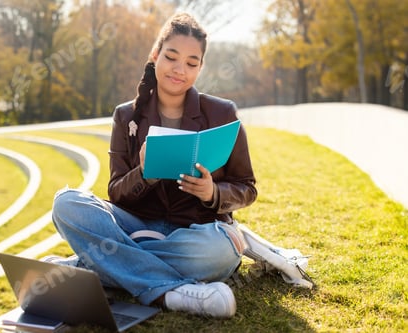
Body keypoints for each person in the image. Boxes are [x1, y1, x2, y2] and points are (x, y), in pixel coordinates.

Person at [48, 12, 257, 318]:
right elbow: (116, 192)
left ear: (200, 67)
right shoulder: (126, 116)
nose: (179, 70)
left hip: (194, 234)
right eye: (171, 57)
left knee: (222, 251)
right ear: (156, 55)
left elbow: (247, 187)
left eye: (191, 62)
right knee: (66, 204)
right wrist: (144, 175)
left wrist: (213, 192)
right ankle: (172, 294)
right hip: (137, 226)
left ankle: (94, 267)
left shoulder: (223, 113)